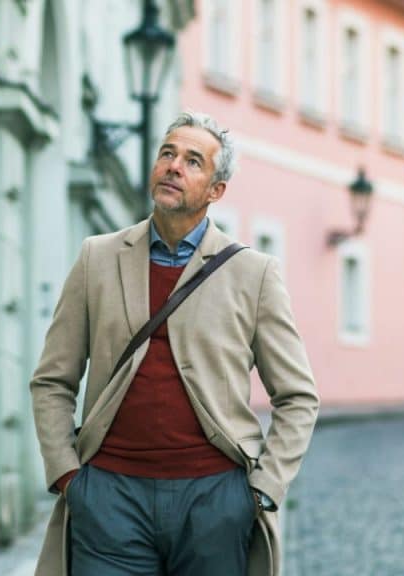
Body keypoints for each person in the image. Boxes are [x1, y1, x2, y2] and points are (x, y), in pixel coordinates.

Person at [30, 111, 319, 576]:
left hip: (214, 499)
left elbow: (298, 396)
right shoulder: (97, 258)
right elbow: (52, 380)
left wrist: (262, 490)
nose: (173, 166)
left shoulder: (253, 273)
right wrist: (67, 474)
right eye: (167, 153)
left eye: (192, 161)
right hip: (110, 496)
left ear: (215, 190)